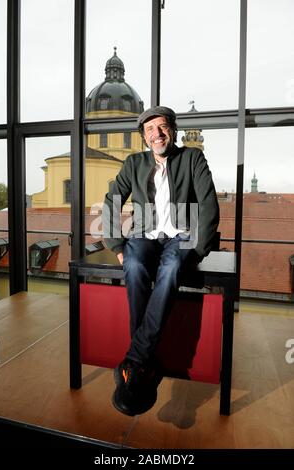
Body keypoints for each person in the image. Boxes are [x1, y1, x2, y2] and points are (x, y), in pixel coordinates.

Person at [103, 106, 219, 416]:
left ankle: (135, 361)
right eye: (151, 129)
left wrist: (198, 250)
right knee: (133, 264)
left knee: (170, 269)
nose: (158, 133)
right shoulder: (134, 163)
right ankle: (143, 362)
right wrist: (116, 245)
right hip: (144, 234)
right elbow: (112, 200)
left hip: (182, 236)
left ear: (173, 130)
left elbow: (208, 204)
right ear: (144, 137)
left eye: (163, 126)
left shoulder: (192, 158)